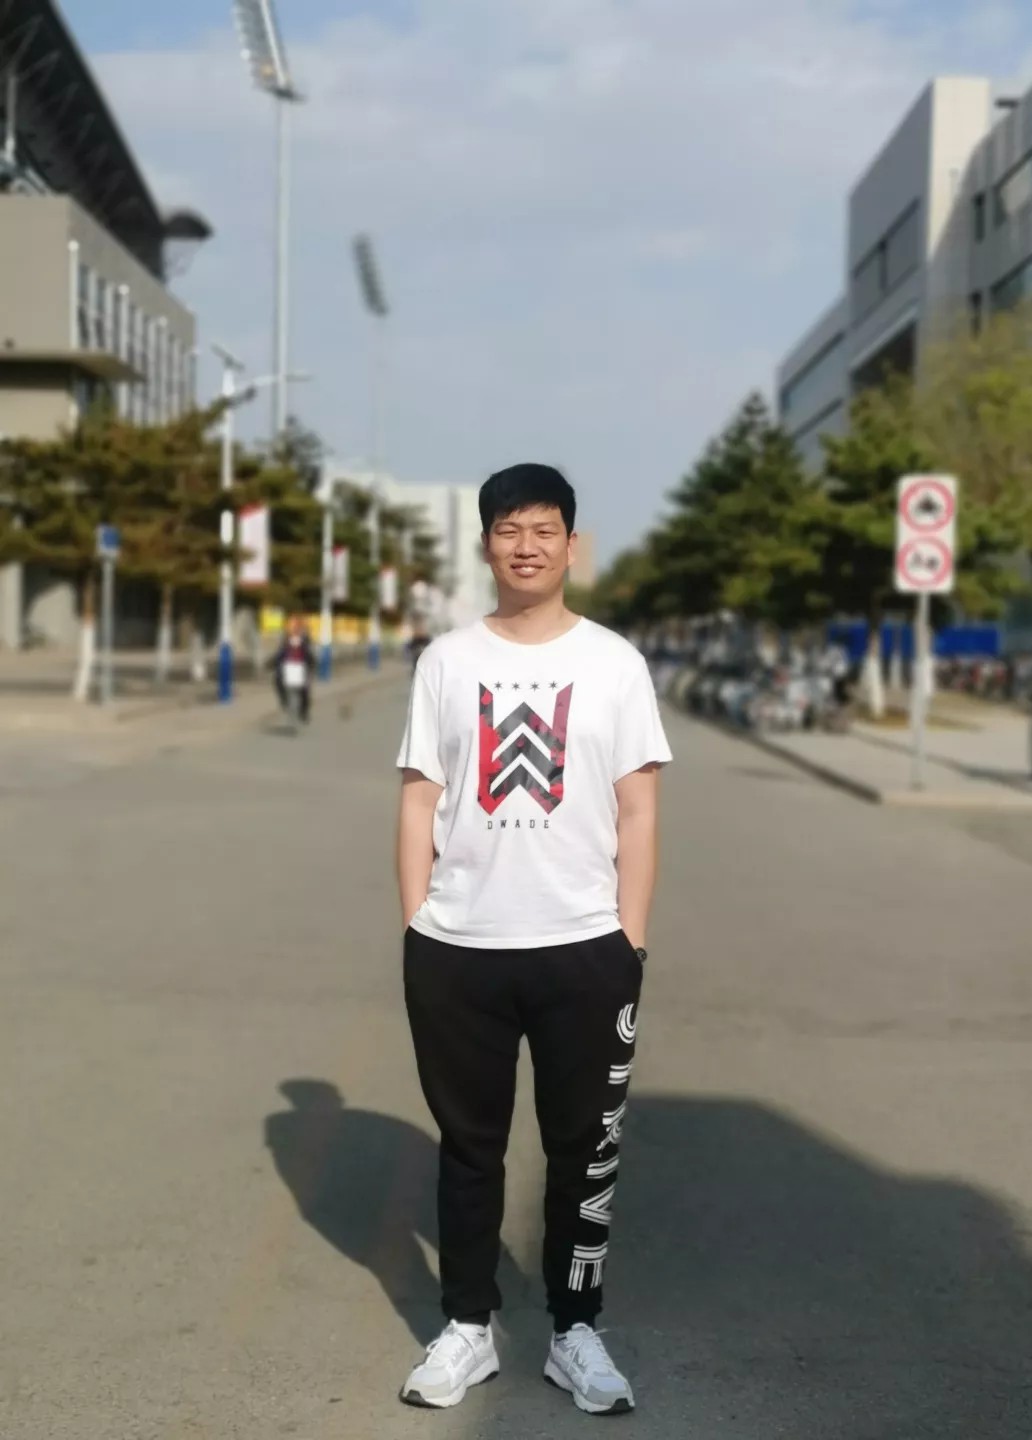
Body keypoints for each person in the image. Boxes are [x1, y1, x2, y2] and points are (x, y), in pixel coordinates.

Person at [395, 463, 672, 1415]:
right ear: (486, 546)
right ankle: (467, 1327)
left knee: (583, 1152)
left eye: (543, 529)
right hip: (458, 950)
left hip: (584, 949)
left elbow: (639, 810)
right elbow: (419, 798)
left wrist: (629, 941)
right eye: (509, 529)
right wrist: (418, 925)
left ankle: (575, 1330)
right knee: (469, 1150)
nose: (526, 545)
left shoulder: (614, 664)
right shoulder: (446, 661)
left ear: (570, 545)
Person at [272, 616, 315, 722]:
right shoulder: (286, 638)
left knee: (305, 689)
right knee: (277, 680)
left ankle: (303, 711)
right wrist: (273, 662)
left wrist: (312, 663)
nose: (293, 628)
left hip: (301, 666)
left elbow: (308, 653)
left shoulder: (305, 638)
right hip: (287, 666)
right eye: (291, 626)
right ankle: (284, 700)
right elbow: (281, 653)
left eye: (296, 626)